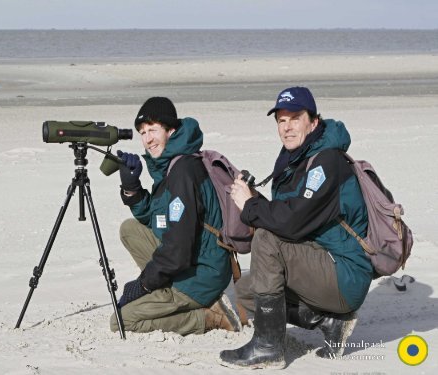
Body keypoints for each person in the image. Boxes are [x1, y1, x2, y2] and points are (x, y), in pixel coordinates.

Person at [220, 87, 373, 368]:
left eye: (295, 118)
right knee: (246, 291)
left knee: (266, 238)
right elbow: (293, 213)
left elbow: (291, 222)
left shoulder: (326, 162)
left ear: (313, 122)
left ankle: (268, 348)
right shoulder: (298, 158)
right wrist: (253, 198)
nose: (287, 127)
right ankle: (329, 322)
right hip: (322, 259)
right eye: (281, 120)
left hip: (344, 271)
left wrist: (251, 207)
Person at [109, 96, 241, 335]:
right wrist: (132, 189)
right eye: (142, 132)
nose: (147, 139)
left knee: (122, 321)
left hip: (200, 275)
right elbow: (155, 219)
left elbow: (177, 252)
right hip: (189, 261)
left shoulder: (182, 172)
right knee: (130, 229)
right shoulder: (171, 165)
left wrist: (142, 284)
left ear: (171, 130)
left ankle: (209, 316)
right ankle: (165, 289)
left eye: (153, 130)